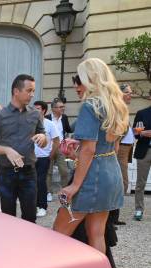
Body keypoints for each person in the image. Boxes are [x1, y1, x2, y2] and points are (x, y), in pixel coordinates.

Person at [52, 58, 129, 255]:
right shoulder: (116, 106)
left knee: (57, 236)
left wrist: (75, 185)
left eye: (80, 79)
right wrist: (77, 153)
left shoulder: (90, 106)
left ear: (90, 79)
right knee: (96, 234)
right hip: (111, 173)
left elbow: (89, 150)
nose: (77, 84)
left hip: (91, 178)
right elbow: (111, 147)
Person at [0, 74, 48, 223]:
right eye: (29, 90)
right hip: (5, 173)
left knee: (30, 217)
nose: (32, 94)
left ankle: (28, 246)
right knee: (8, 218)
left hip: (29, 172)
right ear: (16, 91)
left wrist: (43, 139)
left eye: (33, 91)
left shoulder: (36, 114)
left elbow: (43, 138)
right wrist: (6, 150)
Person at [110, 83, 135, 225]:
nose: (130, 95)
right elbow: (116, 133)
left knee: (121, 183)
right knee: (119, 183)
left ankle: (113, 217)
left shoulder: (122, 109)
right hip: (120, 150)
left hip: (126, 149)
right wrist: (116, 148)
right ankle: (111, 219)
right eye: (128, 92)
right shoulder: (118, 109)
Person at [32, 100, 60, 217]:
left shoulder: (49, 124)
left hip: (44, 157)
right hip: (31, 158)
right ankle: (34, 205)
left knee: (40, 181)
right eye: (34, 108)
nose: (35, 111)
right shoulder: (30, 123)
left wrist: (50, 154)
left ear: (43, 110)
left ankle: (42, 206)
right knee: (31, 182)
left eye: (37, 109)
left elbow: (57, 141)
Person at [46, 98, 72, 202]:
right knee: (48, 172)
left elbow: (68, 130)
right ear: (53, 108)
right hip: (49, 147)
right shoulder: (47, 118)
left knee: (64, 171)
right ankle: (48, 192)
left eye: (63, 106)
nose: (63, 108)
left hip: (61, 147)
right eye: (60, 107)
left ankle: (64, 192)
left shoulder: (64, 118)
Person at [132, 102, 151, 221]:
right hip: (145, 151)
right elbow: (135, 132)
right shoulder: (142, 113)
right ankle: (139, 210)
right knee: (140, 183)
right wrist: (142, 133)